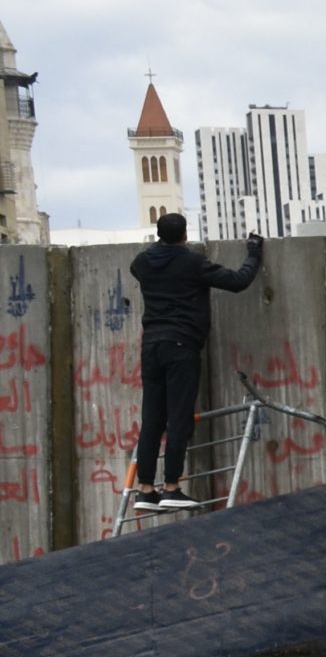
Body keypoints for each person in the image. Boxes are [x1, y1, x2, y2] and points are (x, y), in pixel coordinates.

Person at [126, 213, 262, 509]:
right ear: (185, 235)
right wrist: (254, 253)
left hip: (151, 345)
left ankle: (146, 490)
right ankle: (172, 487)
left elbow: (137, 268)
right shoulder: (191, 262)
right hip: (181, 345)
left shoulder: (144, 261)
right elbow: (238, 281)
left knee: (152, 419)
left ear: (159, 234)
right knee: (179, 417)